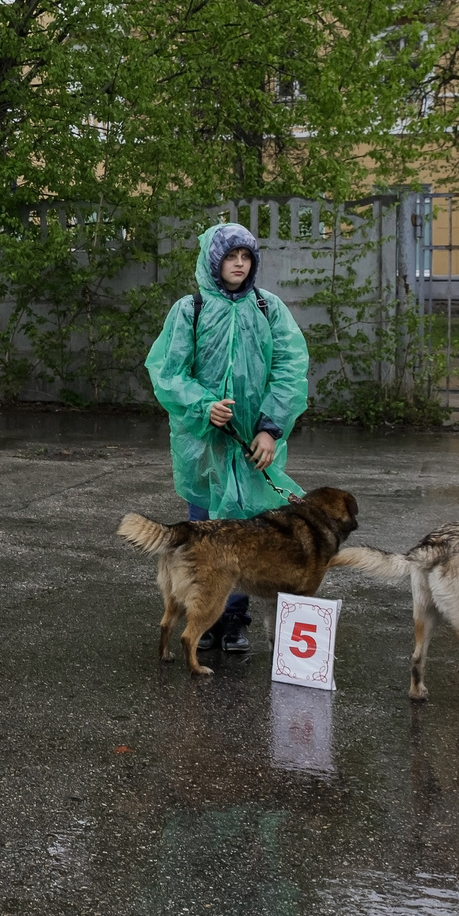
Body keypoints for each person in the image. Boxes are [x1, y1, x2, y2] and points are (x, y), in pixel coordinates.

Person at [142, 221, 310, 652]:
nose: (239, 264)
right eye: (231, 256)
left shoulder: (269, 308)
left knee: (246, 536)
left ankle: (234, 619)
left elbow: (290, 370)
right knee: (204, 534)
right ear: (214, 260)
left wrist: (270, 428)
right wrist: (203, 406)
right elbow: (168, 371)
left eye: (246, 256)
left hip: (254, 445)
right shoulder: (190, 310)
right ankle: (204, 615)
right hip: (204, 445)